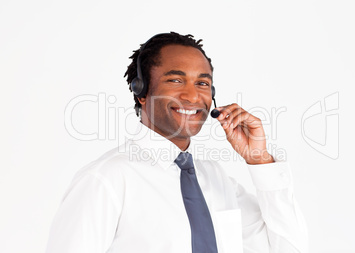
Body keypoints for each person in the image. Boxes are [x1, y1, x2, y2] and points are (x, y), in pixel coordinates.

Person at [46, 32, 308, 253]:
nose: (193, 95)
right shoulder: (107, 179)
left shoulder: (217, 178)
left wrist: (259, 159)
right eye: (175, 80)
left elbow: (287, 248)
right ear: (142, 91)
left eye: (202, 83)